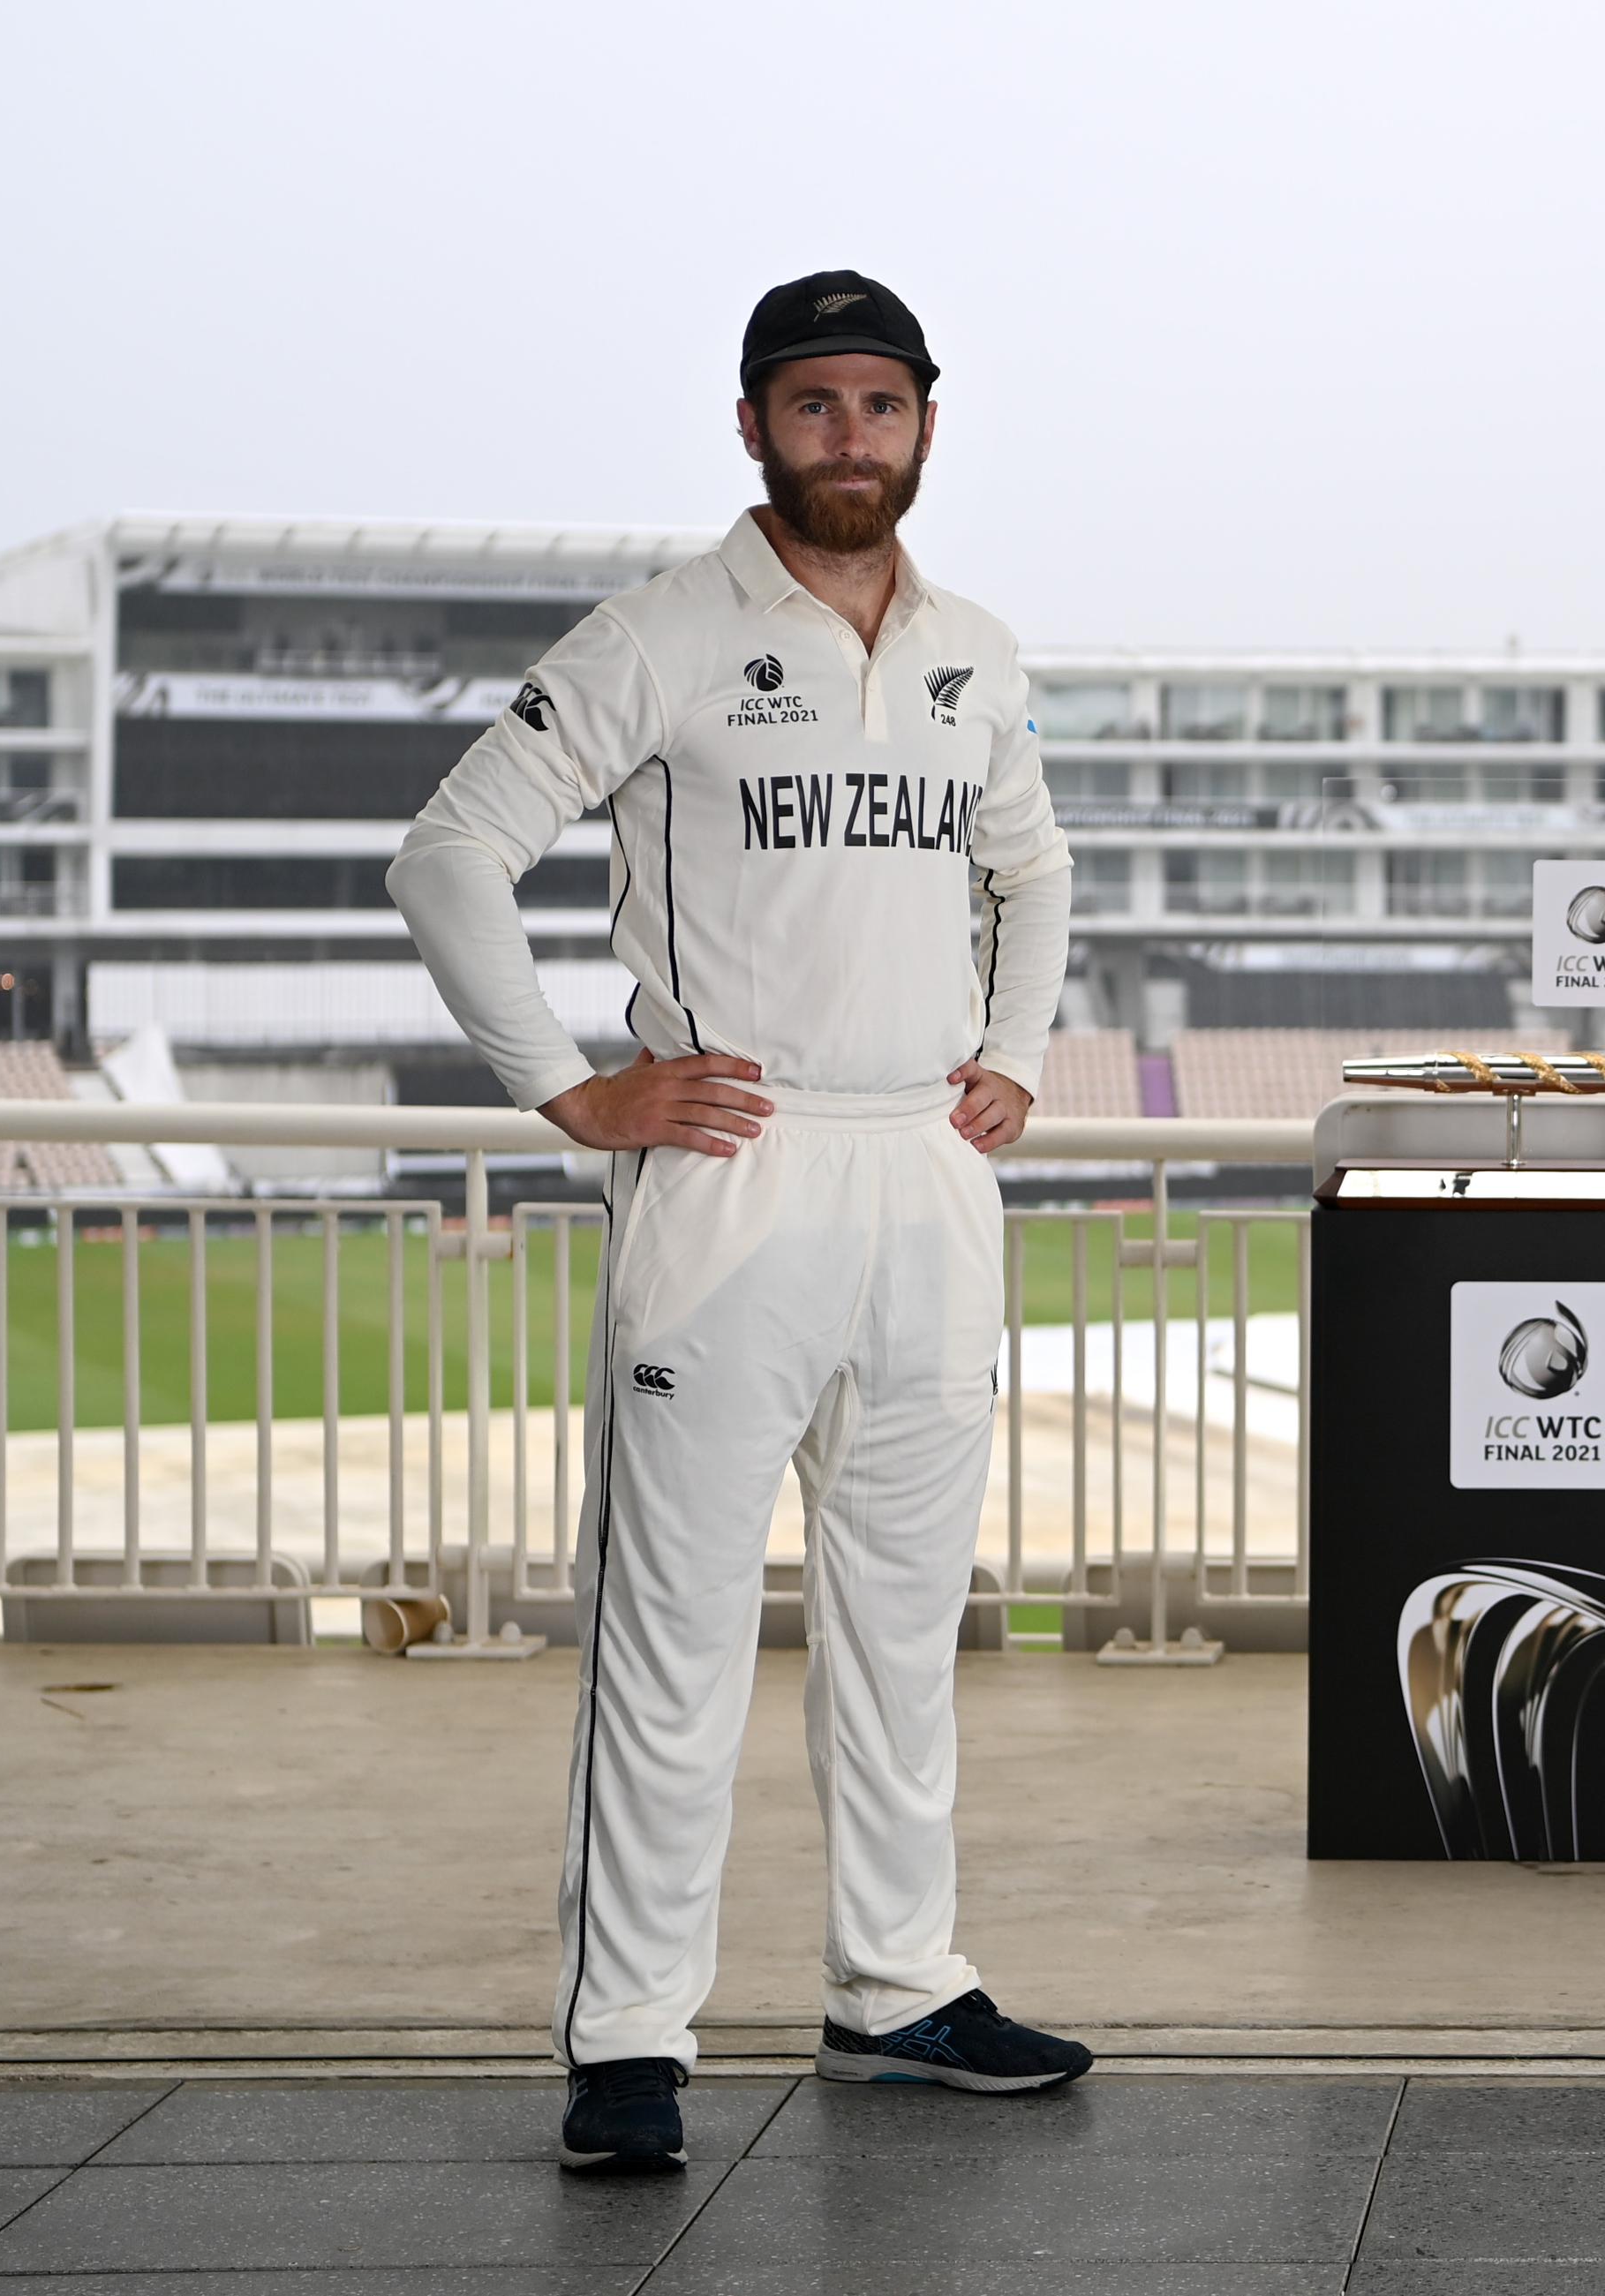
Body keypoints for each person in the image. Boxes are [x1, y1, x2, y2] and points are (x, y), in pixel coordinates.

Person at [388, 269, 1086, 2173]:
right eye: (810, 407)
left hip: (925, 1169)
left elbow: (1030, 865)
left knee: (903, 1619)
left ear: (928, 422)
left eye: (878, 405)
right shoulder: (666, 629)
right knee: (673, 1629)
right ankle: (628, 2039)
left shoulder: (976, 648)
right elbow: (449, 850)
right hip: (731, 1163)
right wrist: (566, 1083)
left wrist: (1013, 1048)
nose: (845, 439)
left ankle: (898, 1987)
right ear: (752, 426)